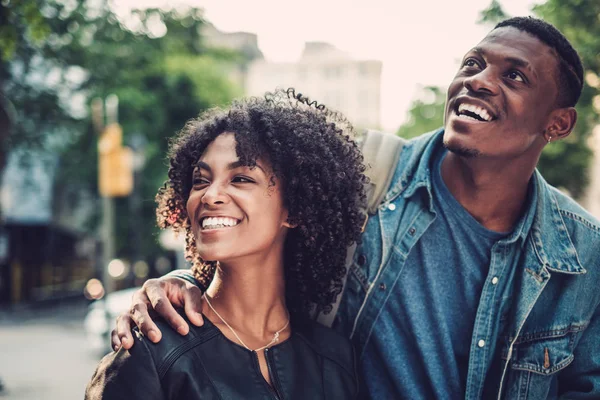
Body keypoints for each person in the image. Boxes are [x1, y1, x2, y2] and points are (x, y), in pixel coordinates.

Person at [112, 17, 600, 399]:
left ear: (558, 123)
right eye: (472, 64)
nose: (480, 81)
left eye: (513, 76)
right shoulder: (363, 174)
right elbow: (254, 235)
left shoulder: (584, 255)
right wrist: (183, 283)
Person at [85, 89, 367, 399]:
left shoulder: (337, 361)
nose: (209, 195)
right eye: (200, 180)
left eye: (241, 178)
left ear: (296, 208)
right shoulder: (150, 351)